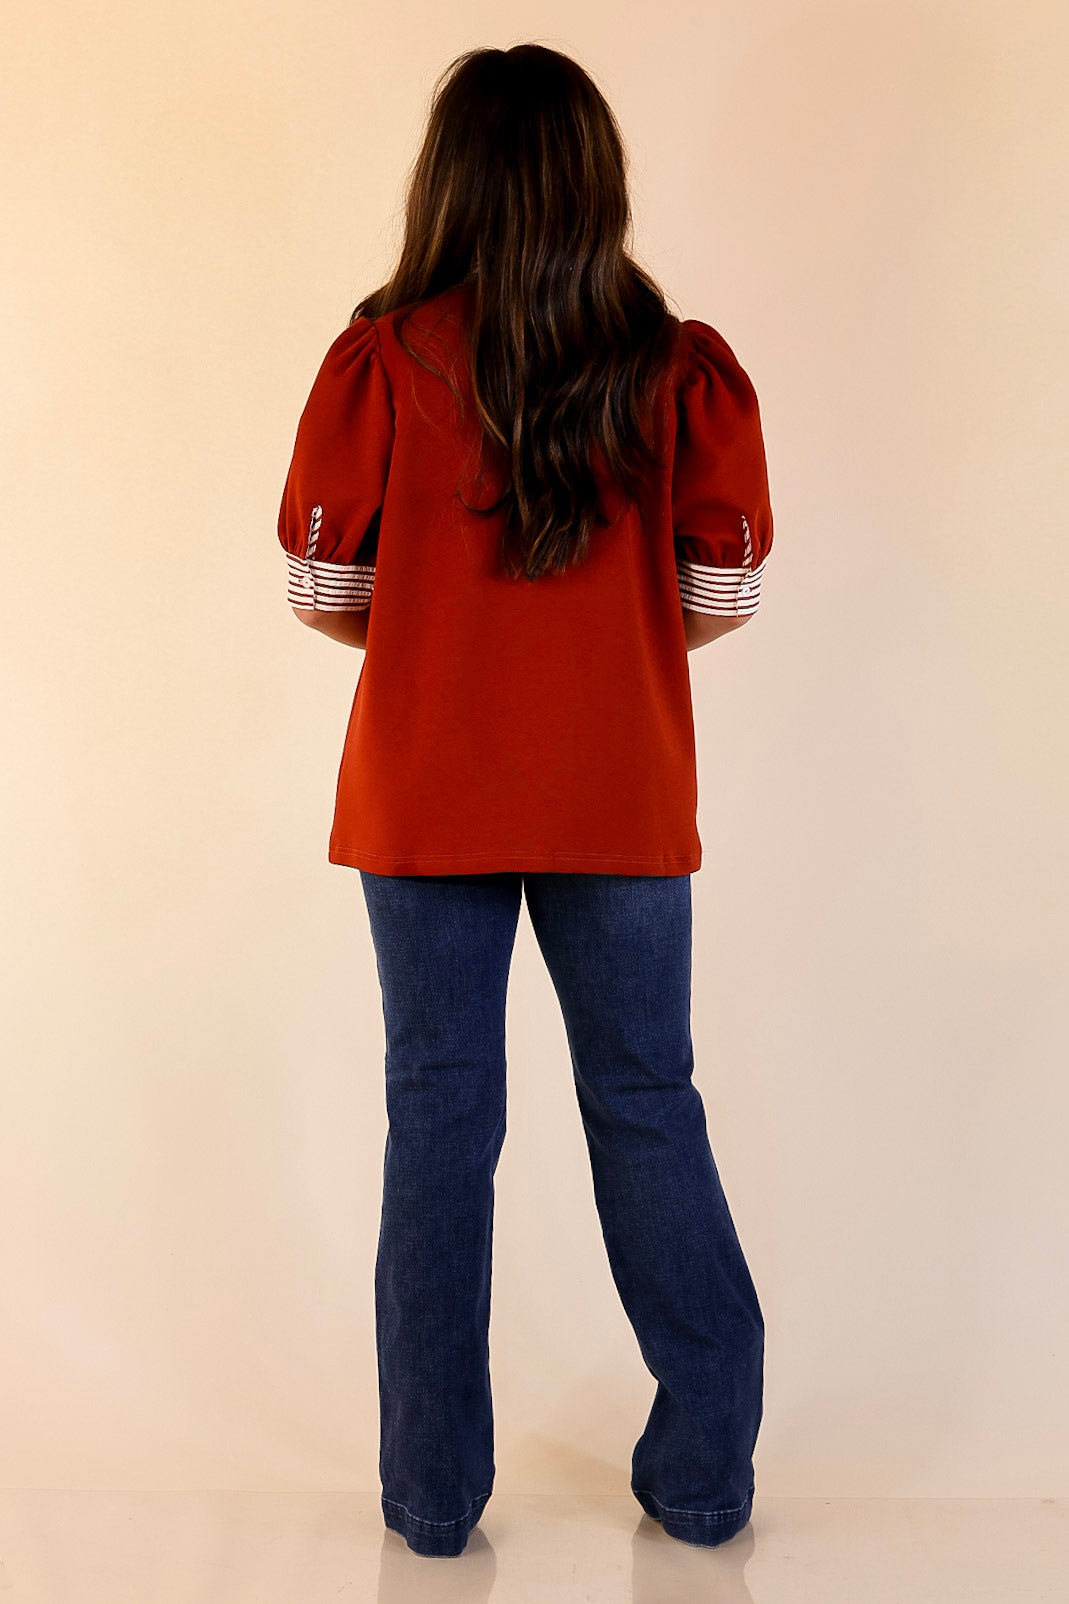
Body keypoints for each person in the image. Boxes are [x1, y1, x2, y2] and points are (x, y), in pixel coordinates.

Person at [276, 42, 774, 1560]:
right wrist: (601, 650)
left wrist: (449, 637)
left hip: (427, 787)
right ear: (594, 177)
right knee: (646, 1100)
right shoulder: (674, 365)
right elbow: (720, 592)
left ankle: (431, 1497)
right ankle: (703, 1478)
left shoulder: (382, 361)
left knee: (437, 1116)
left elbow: (324, 591)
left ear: (449, 181)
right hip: (619, 790)